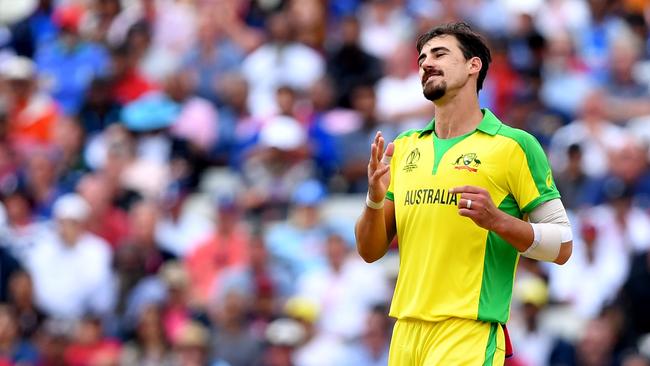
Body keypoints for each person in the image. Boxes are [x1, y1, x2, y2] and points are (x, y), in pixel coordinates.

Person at [354, 22, 573, 365]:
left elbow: (562, 245)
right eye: (422, 58)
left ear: (475, 66)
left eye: (440, 54)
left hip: (468, 330)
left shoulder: (514, 146)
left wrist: (496, 220)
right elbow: (370, 251)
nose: (426, 63)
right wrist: (374, 198)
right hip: (406, 332)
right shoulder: (407, 147)